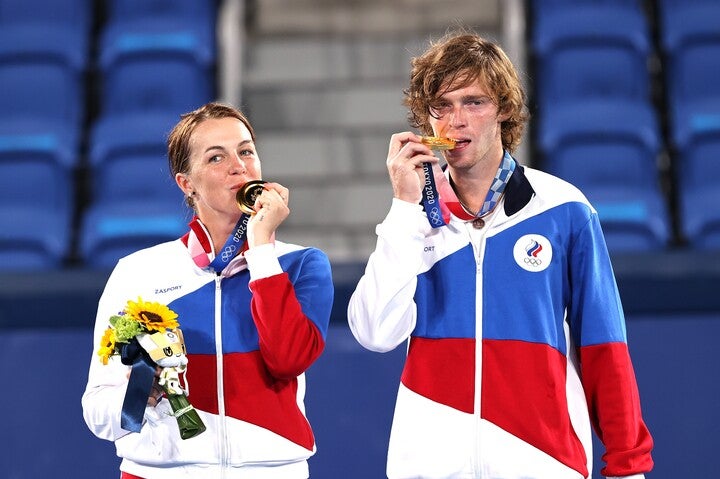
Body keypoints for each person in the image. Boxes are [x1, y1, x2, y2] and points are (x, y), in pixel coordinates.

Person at [347, 30, 654, 479]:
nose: (457, 121)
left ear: (504, 109)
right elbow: (375, 333)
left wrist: (628, 466)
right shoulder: (413, 220)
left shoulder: (564, 209)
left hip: (543, 463)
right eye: (442, 106)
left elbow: (603, 346)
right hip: (430, 468)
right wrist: (402, 208)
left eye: (474, 102)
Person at [82, 102, 334, 479]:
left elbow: (289, 359)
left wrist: (262, 250)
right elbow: (97, 409)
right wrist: (140, 394)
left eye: (246, 151)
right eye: (216, 157)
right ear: (187, 183)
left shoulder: (301, 265)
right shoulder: (138, 272)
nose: (239, 166)